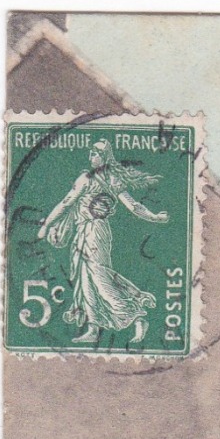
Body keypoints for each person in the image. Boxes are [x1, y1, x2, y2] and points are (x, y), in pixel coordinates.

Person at [35, 137, 169, 345]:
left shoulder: (98, 180)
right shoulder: (94, 178)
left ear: (105, 157)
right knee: (87, 278)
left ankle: (135, 316)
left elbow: (132, 205)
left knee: (98, 278)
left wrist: (154, 217)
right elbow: (67, 203)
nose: (91, 156)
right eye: (90, 153)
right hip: (85, 232)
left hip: (95, 233)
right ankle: (94, 327)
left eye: (96, 153)